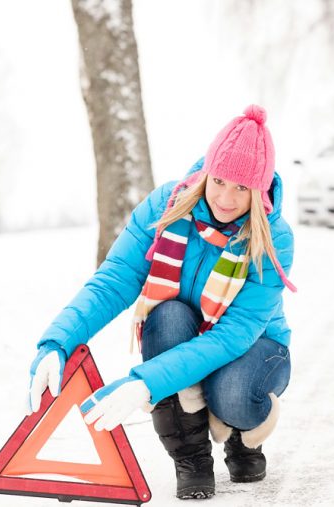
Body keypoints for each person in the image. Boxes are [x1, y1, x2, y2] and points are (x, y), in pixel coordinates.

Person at [26, 104, 296, 500]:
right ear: (207, 172)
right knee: (167, 316)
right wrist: (57, 342)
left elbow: (233, 336)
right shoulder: (164, 208)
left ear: (259, 192)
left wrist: (145, 382)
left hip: (255, 345)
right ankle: (191, 456)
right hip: (184, 329)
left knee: (234, 394)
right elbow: (114, 280)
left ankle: (244, 435)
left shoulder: (273, 239)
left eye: (242, 188)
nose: (225, 197)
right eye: (219, 180)